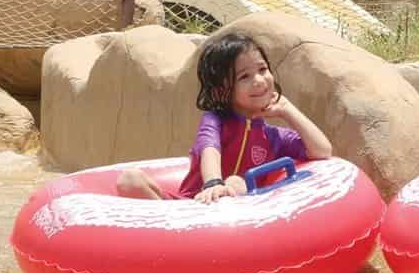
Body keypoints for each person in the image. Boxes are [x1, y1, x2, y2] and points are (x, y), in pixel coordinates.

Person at [117, 31, 332, 202]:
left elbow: (322, 151)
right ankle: (169, 233)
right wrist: (213, 183)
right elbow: (210, 148)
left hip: (237, 216)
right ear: (222, 91)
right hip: (195, 204)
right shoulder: (216, 121)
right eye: (244, 76)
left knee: (236, 182)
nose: (259, 80)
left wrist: (288, 110)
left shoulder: (273, 137)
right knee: (129, 180)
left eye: (263, 69)